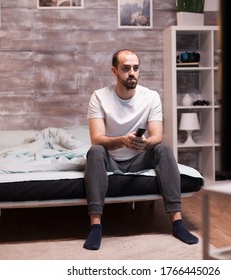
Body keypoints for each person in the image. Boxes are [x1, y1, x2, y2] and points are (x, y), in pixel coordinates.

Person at [83, 49, 199, 250]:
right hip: (110, 159)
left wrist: (146, 144)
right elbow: (97, 138)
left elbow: (157, 136)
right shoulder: (99, 97)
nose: (132, 73)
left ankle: (177, 222)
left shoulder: (151, 97)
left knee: (163, 148)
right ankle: (96, 226)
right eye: (126, 68)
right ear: (114, 71)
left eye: (136, 68)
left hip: (139, 158)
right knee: (95, 151)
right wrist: (122, 141)